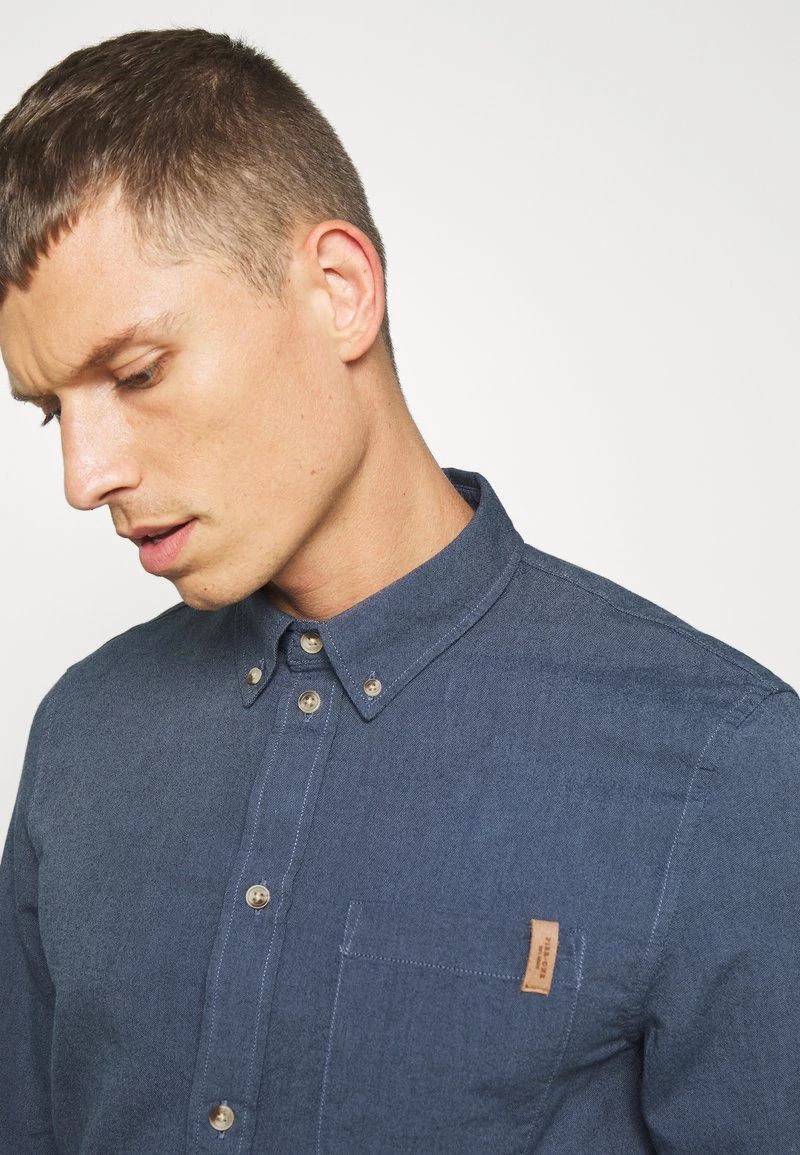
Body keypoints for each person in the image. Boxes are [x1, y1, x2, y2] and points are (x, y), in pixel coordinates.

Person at [0, 27, 797, 1155]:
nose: (85, 478)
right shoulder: (81, 732)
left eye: (136, 373)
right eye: (51, 411)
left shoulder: (723, 765)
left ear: (339, 291)